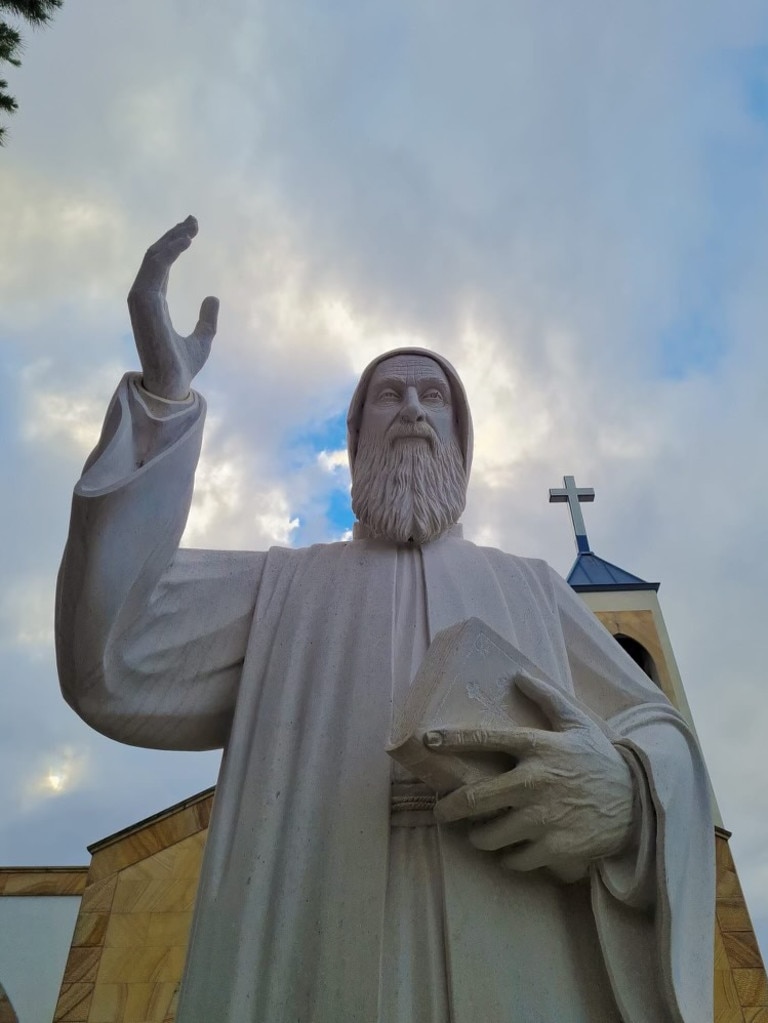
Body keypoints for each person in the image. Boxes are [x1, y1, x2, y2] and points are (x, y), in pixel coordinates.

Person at [56, 218, 714, 1023]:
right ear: (354, 439)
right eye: (388, 396)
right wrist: (163, 402)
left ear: (460, 443)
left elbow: (661, 731)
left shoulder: (534, 590)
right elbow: (110, 652)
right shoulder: (283, 589)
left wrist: (625, 790)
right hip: (308, 941)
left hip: (521, 948)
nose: (411, 408)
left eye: (431, 395)